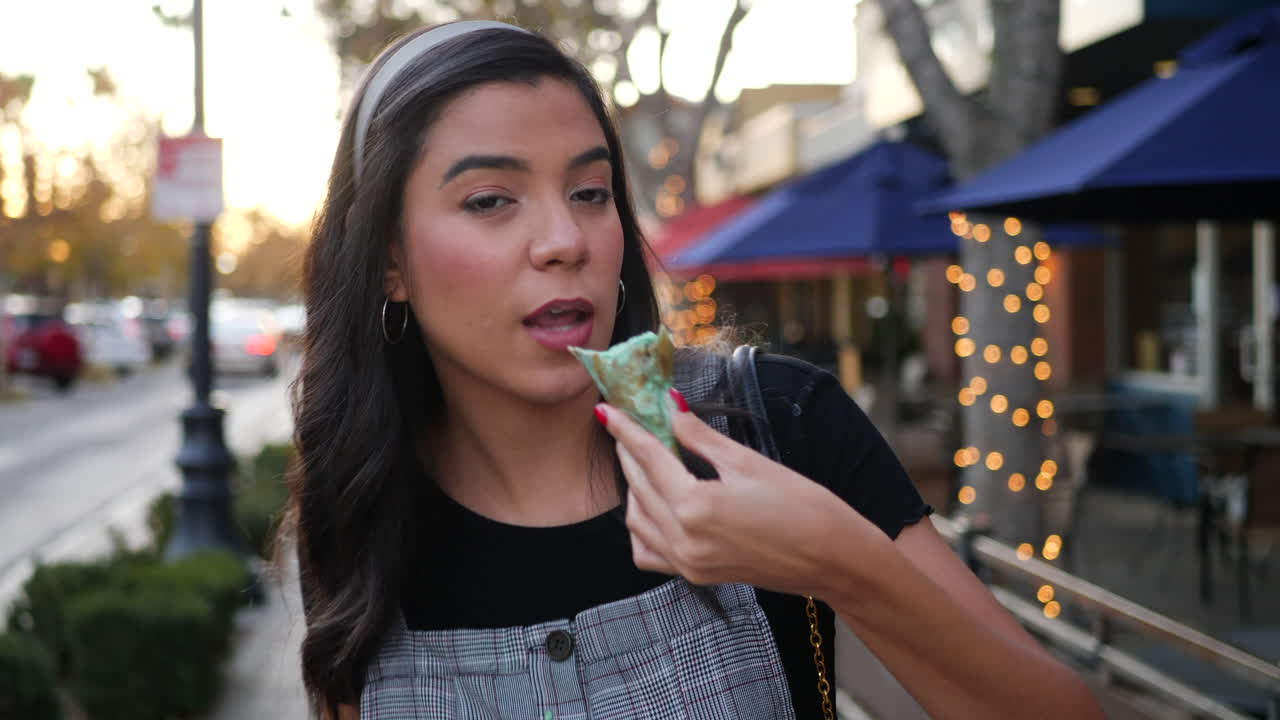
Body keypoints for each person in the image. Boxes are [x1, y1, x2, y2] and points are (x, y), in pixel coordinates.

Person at [286, 19, 1105, 720]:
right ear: (389, 258)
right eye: (491, 200)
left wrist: (839, 560)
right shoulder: (359, 506)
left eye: (590, 191)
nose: (564, 240)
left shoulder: (776, 423)